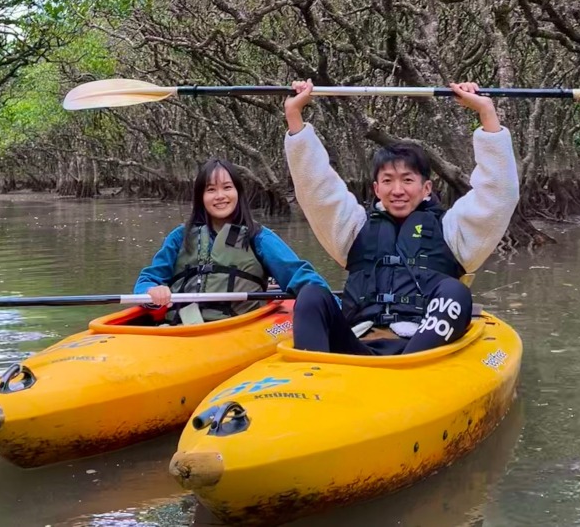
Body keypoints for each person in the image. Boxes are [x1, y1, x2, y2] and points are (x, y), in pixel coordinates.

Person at [283, 80, 519, 355]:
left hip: (423, 350)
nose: (397, 190)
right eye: (388, 181)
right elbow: (316, 188)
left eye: (407, 180)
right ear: (376, 188)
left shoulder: (453, 232)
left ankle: (407, 368)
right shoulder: (353, 229)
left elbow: (499, 193)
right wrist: (295, 116)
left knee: (456, 293)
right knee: (311, 294)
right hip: (358, 345)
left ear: (426, 188)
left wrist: (485, 111)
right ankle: (313, 375)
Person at [133, 157, 331, 323]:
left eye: (227, 187)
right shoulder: (179, 237)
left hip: (237, 326)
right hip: (182, 326)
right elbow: (147, 280)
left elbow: (300, 276)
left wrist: (335, 309)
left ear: (238, 192)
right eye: (211, 190)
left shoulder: (258, 237)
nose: (220, 196)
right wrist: (152, 290)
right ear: (201, 196)